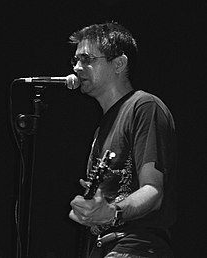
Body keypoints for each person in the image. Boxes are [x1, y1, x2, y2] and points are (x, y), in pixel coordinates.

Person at [69, 21, 177, 258]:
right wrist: (89, 209)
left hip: (136, 247)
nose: (77, 67)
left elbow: (153, 190)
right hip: (106, 248)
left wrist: (112, 212)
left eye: (86, 59)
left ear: (119, 63)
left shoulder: (144, 106)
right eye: (75, 60)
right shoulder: (102, 128)